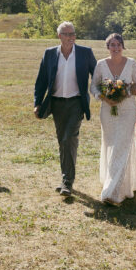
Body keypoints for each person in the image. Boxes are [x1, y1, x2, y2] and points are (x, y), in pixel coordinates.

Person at [33, 22, 97, 197]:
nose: (70, 37)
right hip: (57, 104)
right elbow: (41, 80)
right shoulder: (50, 54)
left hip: (76, 103)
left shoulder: (85, 53)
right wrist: (37, 103)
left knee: (69, 138)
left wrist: (108, 91)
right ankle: (65, 178)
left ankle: (67, 182)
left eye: (73, 33)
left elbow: (97, 75)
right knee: (62, 140)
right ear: (59, 36)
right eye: (66, 34)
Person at [90, 33, 136, 206]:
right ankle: (119, 182)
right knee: (111, 145)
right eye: (112, 45)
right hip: (107, 110)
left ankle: (112, 192)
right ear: (108, 47)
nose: (116, 48)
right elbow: (93, 85)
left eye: (118, 44)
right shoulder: (101, 64)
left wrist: (125, 93)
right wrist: (104, 97)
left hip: (127, 110)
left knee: (121, 146)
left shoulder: (131, 63)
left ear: (123, 46)